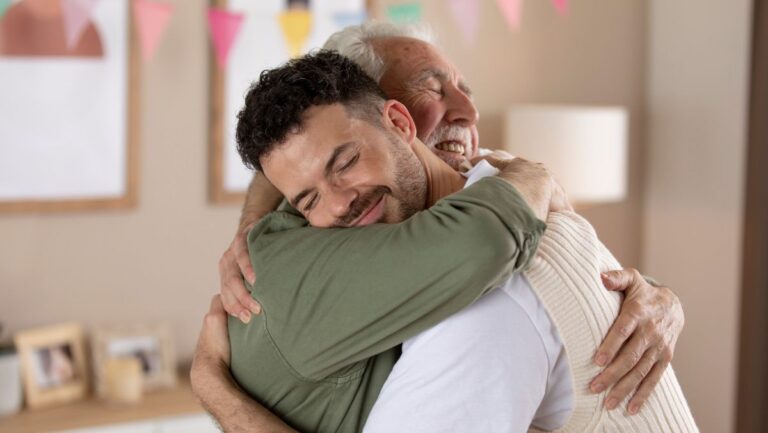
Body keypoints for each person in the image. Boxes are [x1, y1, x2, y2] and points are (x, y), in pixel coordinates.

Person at [192, 51, 696, 432]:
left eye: (345, 163)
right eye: (306, 201)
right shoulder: (493, 200)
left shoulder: (481, 303)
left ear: (398, 123)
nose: (338, 204)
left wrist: (218, 395)